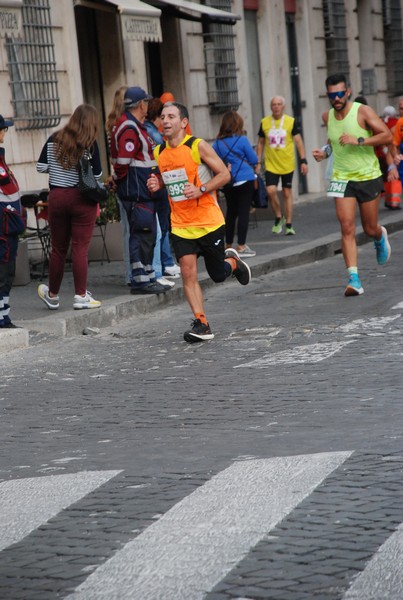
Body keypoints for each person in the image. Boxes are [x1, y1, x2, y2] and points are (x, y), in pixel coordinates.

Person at [146, 101, 251, 343]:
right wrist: (158, 184)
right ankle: (202, 323)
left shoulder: (197, 146)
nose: (166, 121)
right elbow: (166, 177)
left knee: (217, 275)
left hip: (209, 222)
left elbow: (225, 174)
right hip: (181, 224)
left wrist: (201, 188)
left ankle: (232, 264)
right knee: (188, 274)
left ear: (183, 123)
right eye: (163, 117)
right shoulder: (159, 152)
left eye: (171, 116)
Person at [312, 73, 392, 297]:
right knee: (346, 226)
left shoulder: (362, 111)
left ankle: (378, 236)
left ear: (347, 92)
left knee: (369, 228)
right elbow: (333, 140)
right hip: (341, 177)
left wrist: (360, 141)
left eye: (340, 94)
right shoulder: (327, 116)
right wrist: (325, 152)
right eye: (331, 95)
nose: (336, 98)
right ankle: (354, 278)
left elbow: (386, 136)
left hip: (367, 175)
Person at [36, 104, 103, 310]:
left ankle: (53, 295)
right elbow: (98, 176)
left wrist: (58, 167)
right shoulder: (90, 144)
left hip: (57, 197)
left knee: (58, 248)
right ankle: (80, 296)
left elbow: (41, 167)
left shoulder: (54, 138)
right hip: (82, 198)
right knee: (80, 248)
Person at [110, 86, 169, 295]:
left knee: (148, 233)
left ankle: (148, 275)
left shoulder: (135, 125)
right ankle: (140, 280)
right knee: (142, 233)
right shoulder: (129, 128)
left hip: (142, 190)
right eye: (146, 102)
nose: (148, 105)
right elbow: (122, 163)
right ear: (141, 105)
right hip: (137, 191)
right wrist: (117, 180)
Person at [256, 95, 308, 235]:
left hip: (287, 163)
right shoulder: (265, 122)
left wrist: (303, 160)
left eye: (279, 104)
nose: (276, 107)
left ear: (283, 107)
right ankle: (279, 216)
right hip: (271, 164)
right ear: (270, 107)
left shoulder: (290, 122)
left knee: (286, 193)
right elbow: (261, 143)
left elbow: (298, 142)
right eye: (274, 104)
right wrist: (258, 161)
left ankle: (289, 224)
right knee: (271, 190)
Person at [144, 98, 180, 287]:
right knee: (161, 229)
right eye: (164, 116)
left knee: (157, 230)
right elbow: (163, 164)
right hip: (157, 186)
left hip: (148, 186)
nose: (165, 121)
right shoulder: (157, 137)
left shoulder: (144, 132)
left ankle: (163, 265)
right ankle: (162, 267)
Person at [213, 110, 259, 257]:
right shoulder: (242, 140)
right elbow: (253, 159)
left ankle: (228, 245)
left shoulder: (217, 144)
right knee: (243, 212)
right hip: (245, 179)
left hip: (228, 181)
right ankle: (241, 246)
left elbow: (213, 162)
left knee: (231, 213)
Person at [0, 115, 25, 328]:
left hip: (10, 226)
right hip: (3, 227)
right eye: (3, 130)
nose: (4, 133)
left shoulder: (1, 159)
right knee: (3, 272)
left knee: (8, 272)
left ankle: (4, 315)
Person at [105, 85, 131, 285]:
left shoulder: (112, 123)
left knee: (128, 229)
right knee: (131, 230)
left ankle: (132, 271)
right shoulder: (124, 125)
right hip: (127, 179)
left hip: (119, 175)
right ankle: (133, 273)